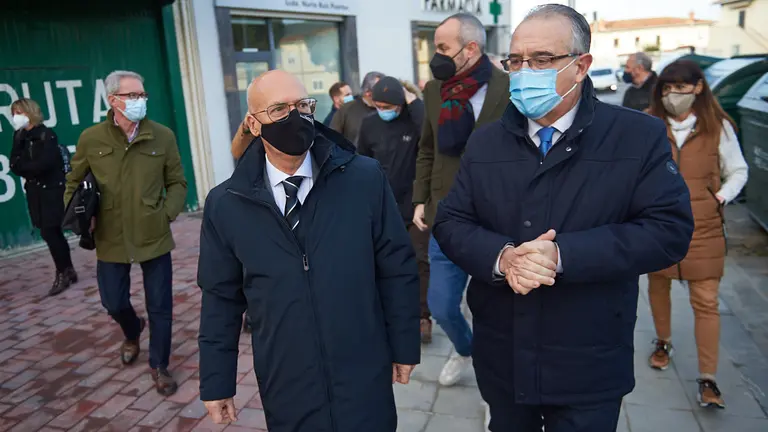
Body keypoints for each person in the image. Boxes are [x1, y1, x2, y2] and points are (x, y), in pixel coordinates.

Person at [432, 5, 694, 431]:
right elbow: (452, 222)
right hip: (504, 358)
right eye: (515, 61)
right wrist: (504, 258)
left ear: (580, 66)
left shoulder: (636, 136)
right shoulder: (485, 144)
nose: (523, 71)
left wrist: (562, 256)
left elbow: (668, 231)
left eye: (541, 60)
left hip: (588, 364)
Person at [197, 70, 420, 432]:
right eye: (280, 109)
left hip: (363, 371)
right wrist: (216, 381)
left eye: (303, 105)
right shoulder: (226, 204)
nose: (296, 116)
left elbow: (396, 266)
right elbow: (220, 297)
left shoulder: (364, 179)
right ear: (254, 125)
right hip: (286, 379)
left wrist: (404, 344)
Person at [65, 70, 187, 396]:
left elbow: (177, 182)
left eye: (142, 95)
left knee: (160, 305)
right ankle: (132, 330)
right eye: (132, 96)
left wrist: (166, 214)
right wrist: (78, 217)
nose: (139, 101)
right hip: (111, 236)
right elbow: (74, 182)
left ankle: (159, 365)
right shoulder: (92, 138)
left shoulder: (162, 136)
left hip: (153, 233)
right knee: (113, 301)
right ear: (113, 100)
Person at [412, 12, 510, 390]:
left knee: (493, 312)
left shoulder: (508, 88)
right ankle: (465, 348)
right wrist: (421, 199)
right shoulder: (434, 91)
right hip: (446, 215)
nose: (435, 56)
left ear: (470, 49)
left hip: (496, 220)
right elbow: (427, 149)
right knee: (440, 305)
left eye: (442, 47)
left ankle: (494, 392)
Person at [646, 59, 748, 409]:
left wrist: (718, 197)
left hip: (703, 229)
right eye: (667, 88)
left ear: (698, 88)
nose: (673, 95)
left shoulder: (717, 126)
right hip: (658, 226)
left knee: (706, 303)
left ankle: (708, 379)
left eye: (681, 87)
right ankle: (663, 341)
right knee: (658, 287)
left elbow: (737, 170)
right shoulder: (649, 124)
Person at [357, 76, 431, 342]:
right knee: (384, 262)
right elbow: (361, 162)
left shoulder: (414, 120)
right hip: (381, 206)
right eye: (378, 105)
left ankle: (423, 316)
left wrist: (413, 101)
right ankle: (390, 314)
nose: (383, 110)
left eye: (389, 105)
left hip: (415, 205)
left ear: (401, 103)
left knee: (418, 259)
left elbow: (430, 134)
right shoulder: (368, 125)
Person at [9, 98, 77, 296]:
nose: (15, 117)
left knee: (51, 231)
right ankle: (68, 269)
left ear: (30, 112)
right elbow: (14, 164)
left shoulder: (46, 134)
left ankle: (63, 272)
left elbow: (44, 164)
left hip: (51, 190)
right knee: (50, 232)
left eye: (19, 112)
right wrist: (26, 168)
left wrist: (25, 168)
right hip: (35, 192)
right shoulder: (19, 136)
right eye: (13, 112)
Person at [330, 71, 384, 145]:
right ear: (368, 93)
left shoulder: (389, 109)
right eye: (380, 91)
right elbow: (332, 140)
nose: (385, 95)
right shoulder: (346, 110)